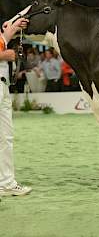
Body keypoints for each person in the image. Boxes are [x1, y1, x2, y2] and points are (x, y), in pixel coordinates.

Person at [0, 17, 32, 196]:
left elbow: (3, 39)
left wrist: (14, 26)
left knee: (6, 137)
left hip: (3, 85)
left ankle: (6, 183)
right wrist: (5, 55)